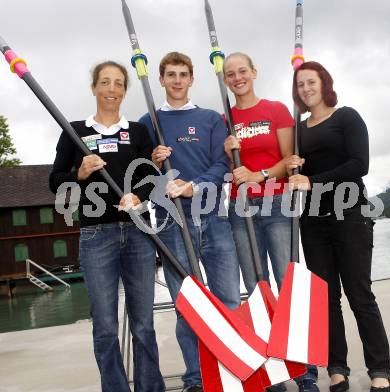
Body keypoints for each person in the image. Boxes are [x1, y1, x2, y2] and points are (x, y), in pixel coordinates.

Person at [49, 61, 165, 392]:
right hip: (96, 236)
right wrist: (80, 174)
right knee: (104, 326)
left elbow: (151, 177)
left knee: (143, 324)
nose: (111, 89)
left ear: (125, 91)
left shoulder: (139, 132)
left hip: (139, 234)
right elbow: (55, 182)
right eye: (105, 82)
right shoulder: (74, 131)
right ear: (94, 88)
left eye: (118, 83)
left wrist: (137, 197)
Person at [287, 61, 390, 392]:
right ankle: (337, 368)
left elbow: (359, 164)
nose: (306, 88)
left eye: (311, 82)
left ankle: (380, 369)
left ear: (324, 83)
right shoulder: (297, 131)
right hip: (314, 222)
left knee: (360, 295)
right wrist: (292, 167)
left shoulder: (347, 117)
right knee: (326, 299)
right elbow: (295, 176)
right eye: (300, 84)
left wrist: (311, 179)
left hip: (351, 216)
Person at [139, 52, 241, 392]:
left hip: (214, 218)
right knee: (188, 307)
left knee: (228, 299)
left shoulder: (211, 118)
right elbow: (139, 179)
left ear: (192, 79)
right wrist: (153, 164)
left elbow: (220, 166)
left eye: (184, 74)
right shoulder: (147, 123)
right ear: (161, 80)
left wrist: (192, 186)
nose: (178, 80)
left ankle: (231, 371)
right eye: (171, 74)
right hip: (171, 222)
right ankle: (197, 378)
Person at [222, 52, 318, 392]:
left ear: (254, 72)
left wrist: (259, 174)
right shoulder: (224, 119)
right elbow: (227, 171)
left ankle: (305, 371)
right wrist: (226, 150)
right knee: (257, 289)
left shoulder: (276, 110)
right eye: (230, 74)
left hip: (277, 203)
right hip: (241, 209)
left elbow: (290, 161)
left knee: (289, 285)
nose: (237, 77)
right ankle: (271, 371)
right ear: (225, 80)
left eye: (242, 71)